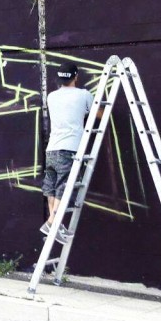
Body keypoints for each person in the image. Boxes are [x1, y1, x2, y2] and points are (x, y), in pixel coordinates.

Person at [41, 63, 103, 244]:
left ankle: (54, 224)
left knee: (51, 186)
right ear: (76, 77)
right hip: (69, 148)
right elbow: (97, 114)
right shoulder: (84, 95)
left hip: (51, 148)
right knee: (64, 188)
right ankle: (52, 222)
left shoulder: (51, 97)